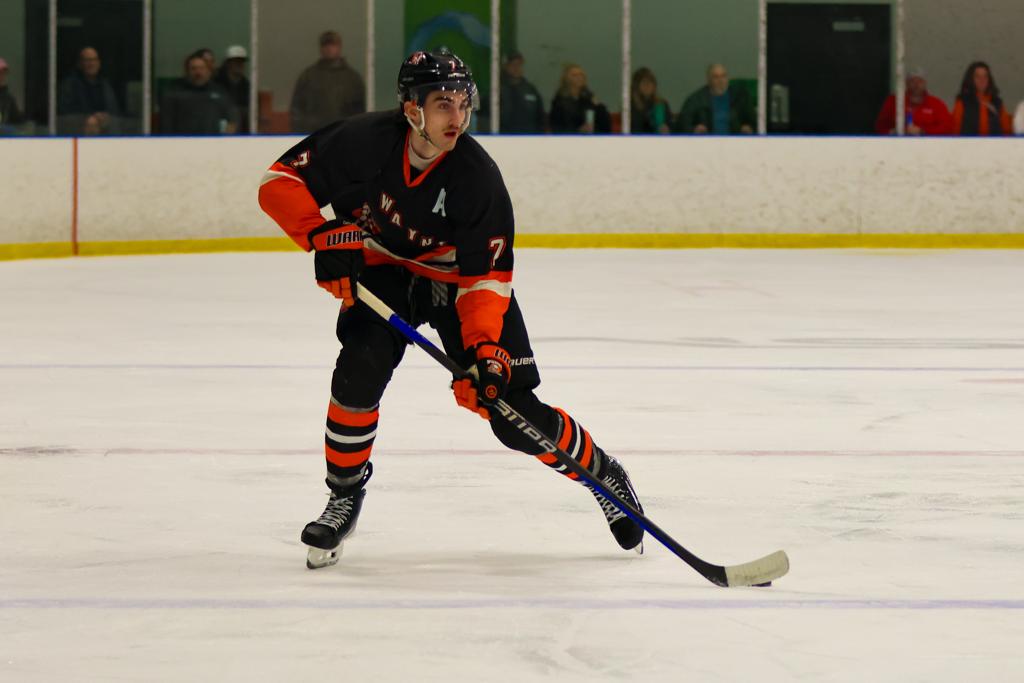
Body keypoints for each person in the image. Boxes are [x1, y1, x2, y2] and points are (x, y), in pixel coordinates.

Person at [258, 49, 645, 569]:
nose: (457, 117)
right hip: (385, 272)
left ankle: (603, 476)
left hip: (458, 284)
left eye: (463, 103)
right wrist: (320, 235)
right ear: (411, 108)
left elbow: (486, 277)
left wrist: (485, 351)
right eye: (443, 103)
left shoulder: (477, 176)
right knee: (358, 371)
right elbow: (279, 182)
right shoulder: (361, 141)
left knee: (510, 414)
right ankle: (344, 495)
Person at [289, 30, 366, 133]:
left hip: (344, 134)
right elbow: (297, 109)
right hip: (314, 134)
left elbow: (360, 111)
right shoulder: (308, 76)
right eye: (325, 45)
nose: (329, 48)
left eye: (333, 44)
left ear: (339, 47)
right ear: (320, 48)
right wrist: (301, 132)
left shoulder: (353, 78)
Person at [160, 52, 238, 134]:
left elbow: (232, 115)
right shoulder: (175, 93)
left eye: (202, 68)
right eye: (193, 68)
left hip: (212, 140)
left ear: (208, 71)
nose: (198, 72)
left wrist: (230, 129)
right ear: (186, 72)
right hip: (184, 140)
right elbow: (166, 124)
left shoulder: (219, 92)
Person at [674, 63, 754, 135]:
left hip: (736, 142)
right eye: (716, 77)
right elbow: (681, 125)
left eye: (723, 76)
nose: (721, 81)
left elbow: (755, 122)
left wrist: (749, 128)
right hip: (706, 143)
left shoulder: (740, 97)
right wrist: (693, 130)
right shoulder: (695, 100)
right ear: (708, 80)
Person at [57, 46, 120, 135]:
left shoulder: (105, 85)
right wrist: (86, 118)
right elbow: (64, 114)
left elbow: (114, 111)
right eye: (87, 60)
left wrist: (105, 116)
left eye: (94, 60)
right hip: (77, 134)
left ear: (99, 63)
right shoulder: (69, 85)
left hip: (104, 133)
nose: (92, 63)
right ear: (79, 64)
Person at [874, 68, 952, 136]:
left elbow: (948, 128)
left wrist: (922, 131)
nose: (916, 84)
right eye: (912, 81)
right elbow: (880, 126)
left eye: (920, 81)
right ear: (906, 83)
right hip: (898, 145)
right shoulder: (893, 101)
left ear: (925, 83)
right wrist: (893, 132)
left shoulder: (937, 104)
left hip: (928, 146)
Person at [951, 61, 1012, 136]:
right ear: (971, 79)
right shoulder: (962, 102)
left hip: (994, 143)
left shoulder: (997, 103)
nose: (982, 80)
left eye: (985, 76)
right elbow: (954, 131)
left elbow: (1007, 131)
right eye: (978, 77)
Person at [549, 63, 611, 134]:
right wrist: (578, 131)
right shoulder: (559, 102)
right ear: (566, 79)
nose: (579, 77)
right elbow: (557, 128)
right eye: (574, 75)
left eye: (581, 75)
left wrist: (599, 106)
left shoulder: (588, 97)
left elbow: (605, 125)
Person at [499, 50, 545, 133]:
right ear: (506, 67)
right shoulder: (497, 90)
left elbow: (540, 116)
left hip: (529, 136)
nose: (516, 68)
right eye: (513, 65)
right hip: (505, 135)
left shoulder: (531, 90)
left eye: (519, 65)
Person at [214, 45, 251, 133]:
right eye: (236, 62)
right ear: (228, 63)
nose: (240, 65)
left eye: (242, 62)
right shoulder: (216, 83)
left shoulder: (247, 86)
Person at [630, 67, 672, 134]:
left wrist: (667, 129)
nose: (648, 85)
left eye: (650, 82)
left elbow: (670, 126)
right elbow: (635, 128)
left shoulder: (661, 104)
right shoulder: (630, 106)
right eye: (644, 82)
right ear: (636, 86)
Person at [0, 58, 26, 132]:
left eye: (3, 73)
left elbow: (18, 120)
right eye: (0, 73)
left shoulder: (8, 99)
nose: (1, 76)